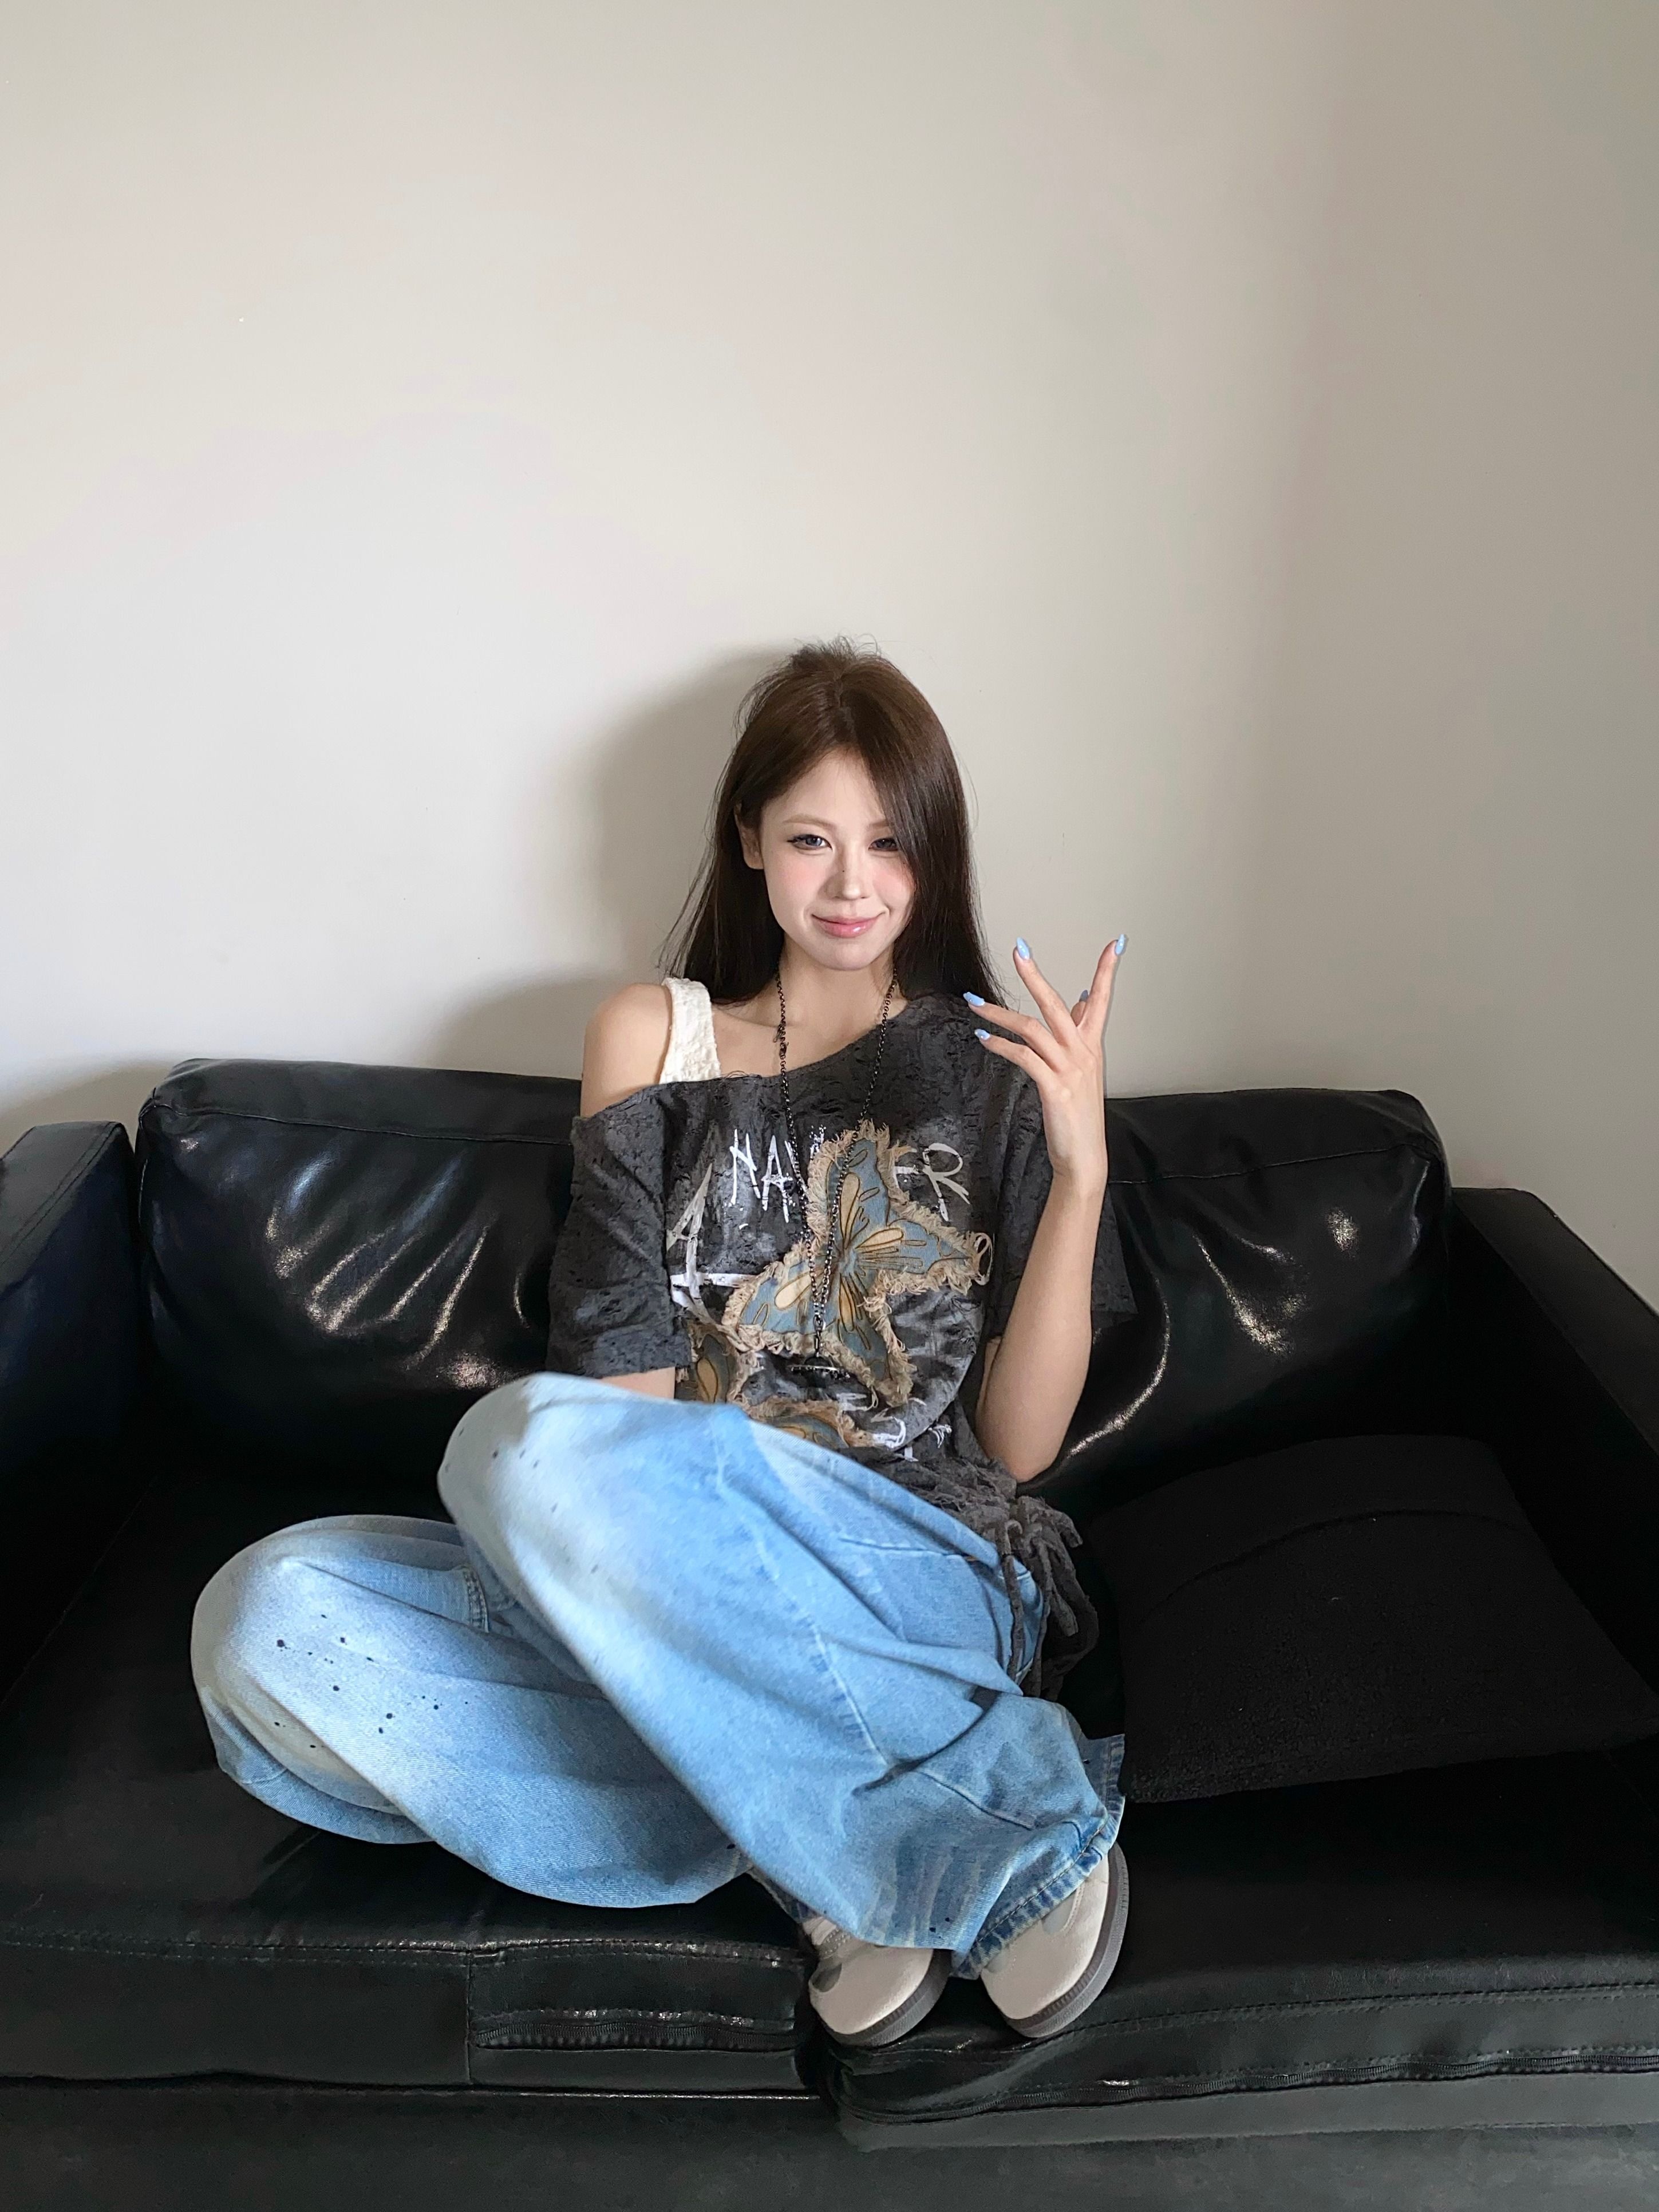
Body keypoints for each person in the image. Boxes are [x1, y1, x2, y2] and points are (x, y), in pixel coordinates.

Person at [191, 639, 1137, 2051]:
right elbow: (617, 1414)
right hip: (660, 1568)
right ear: (749, 840)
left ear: (934, 855)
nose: (852, 883)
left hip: (911, 1569)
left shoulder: (993, 1067)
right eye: (812, 838)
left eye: (891, 842)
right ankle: (825, 1847)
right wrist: (638, 1590)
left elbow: (1019, 1445)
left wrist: (1082, 1173)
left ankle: (1009, 1832)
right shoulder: (652, 1036)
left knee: (519, 1447)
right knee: (263, 1617)